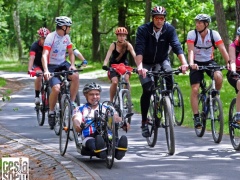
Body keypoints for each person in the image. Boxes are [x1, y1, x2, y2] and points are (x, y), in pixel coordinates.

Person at [134, 5, 188, 138]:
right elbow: (139, 49)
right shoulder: (143, 30)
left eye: (162, 18)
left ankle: (166, 101)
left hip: (161, 60)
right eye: (157, 18)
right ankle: (144, 122)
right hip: (145, 62)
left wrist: (184, 63)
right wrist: (140, 66)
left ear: (164, 19)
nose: (159, 20)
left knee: (168, 73)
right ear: (153, 18)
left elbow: (176, 46)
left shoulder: (169, 29)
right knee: (147, 89)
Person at [187, 14, 229, 129]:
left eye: (200, 22)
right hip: (196, 62)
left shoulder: (213, 34)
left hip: (209, 61)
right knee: (195, 89)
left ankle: (215, 96)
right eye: (196, 22)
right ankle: (196, 117)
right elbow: (190, 51)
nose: (197, 24)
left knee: (219, 76)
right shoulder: (192, 34)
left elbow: (222, 49)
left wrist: (229, 62)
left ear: (206, 24)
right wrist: (191, 63)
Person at [72, 82, 129, 160]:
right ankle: (101, 150)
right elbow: (76, 118)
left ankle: (119, 150)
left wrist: (123, 123)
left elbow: (115, 117)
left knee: (114, 140)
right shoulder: (80, 108)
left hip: (108, 136)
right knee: (93, 142)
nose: (95, 97)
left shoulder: (107, 107)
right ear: (86, 95)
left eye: (97, 94)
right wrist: (77, 125)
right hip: (89, 137)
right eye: (91, 94)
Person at [41, 16, 79, 129]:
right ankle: (51, 111)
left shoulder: (67, 37)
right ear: (63, 27)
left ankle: (71, 102)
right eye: (69, 27)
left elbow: (71, 53)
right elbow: (44, 54)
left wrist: (72, 65)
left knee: (76, 76)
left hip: (63, 63)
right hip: (51, 66)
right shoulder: (50, 37)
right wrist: (46, 70)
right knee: (56, 88)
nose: (70, 29)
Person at [102, 27, 136, 102]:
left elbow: (135, 56)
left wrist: (139, 66)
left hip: (124, 66)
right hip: (113, 67)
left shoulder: (128, 45)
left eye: (123, 35)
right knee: (115, 82)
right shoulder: (113, 45)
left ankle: (128, 100)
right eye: (120, 35)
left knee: (126, 79)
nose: (122, 37)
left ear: (126, 36)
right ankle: (111, 101)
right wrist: (105, 65)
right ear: (117, 36)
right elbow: (107, 57)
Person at [28, 27, 50, 105]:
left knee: (51, 77)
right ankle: (37, 96)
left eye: (47, 39)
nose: (45, 41)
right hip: (37, 64)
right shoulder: (35, 45)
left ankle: (49, 95)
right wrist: (30, 69)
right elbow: (32, 58)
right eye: (43, 38)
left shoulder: (50, 45)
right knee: (40, 75)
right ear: (39, 38)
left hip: (47, 65)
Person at [227, 27, 240, 124]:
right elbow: (232, 61)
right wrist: (234, 71)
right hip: (234, 73)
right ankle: (238, 114)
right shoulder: (233, 46)